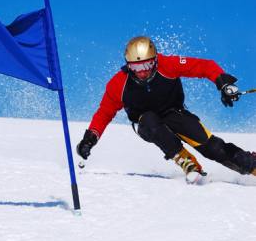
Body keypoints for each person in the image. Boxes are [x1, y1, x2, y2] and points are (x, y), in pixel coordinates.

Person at [77, 36, 256, 182]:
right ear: (128, 65)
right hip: (146, 123)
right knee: (149, 120)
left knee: (213, 148)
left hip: (174, 113)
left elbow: (204, 66)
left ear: (154, 60)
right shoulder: (118, 83)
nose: (141, 72)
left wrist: (223, 83)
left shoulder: (167, 64)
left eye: (146, 65)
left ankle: (251, 164)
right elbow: (104, 113)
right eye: (135, 67)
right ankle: (185, 160)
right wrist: (90, 137)